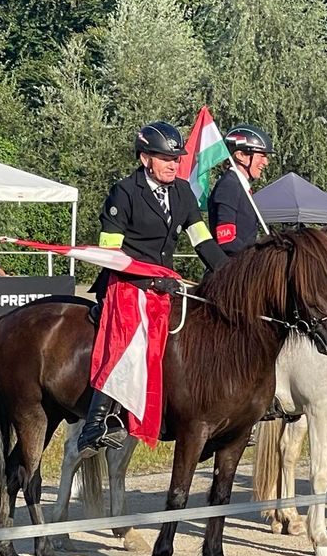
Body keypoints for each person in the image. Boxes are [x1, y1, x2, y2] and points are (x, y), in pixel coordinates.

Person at [79, 121, 229, 458]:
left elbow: (202, 240)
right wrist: (147, 280)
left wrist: (230, 274)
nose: (174, 165)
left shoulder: (183, 192)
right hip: (126, 285)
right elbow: (110, 254)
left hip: (165, 287)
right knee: (132, 341)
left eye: (177, 159)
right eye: (166, 158)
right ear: (146, 158)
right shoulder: (124, 192)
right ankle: (98, 422)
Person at [208, 123, 273, 256]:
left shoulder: (240, 186)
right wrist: (259, 257)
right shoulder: (229, 186)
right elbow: (226, 238)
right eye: (261, 155)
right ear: (240, 155)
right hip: (230, 270)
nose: (266, 162)